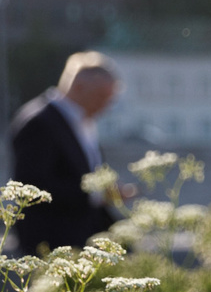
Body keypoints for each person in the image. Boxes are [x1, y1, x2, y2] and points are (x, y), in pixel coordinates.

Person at [7, 50, 124, 256]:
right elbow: (33, 188)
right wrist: (97, 195)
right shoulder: (39, 122)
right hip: (52, 246)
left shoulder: (81, 122)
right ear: (78, 87)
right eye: (102, 97)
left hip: (82, 241)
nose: (107, 106)